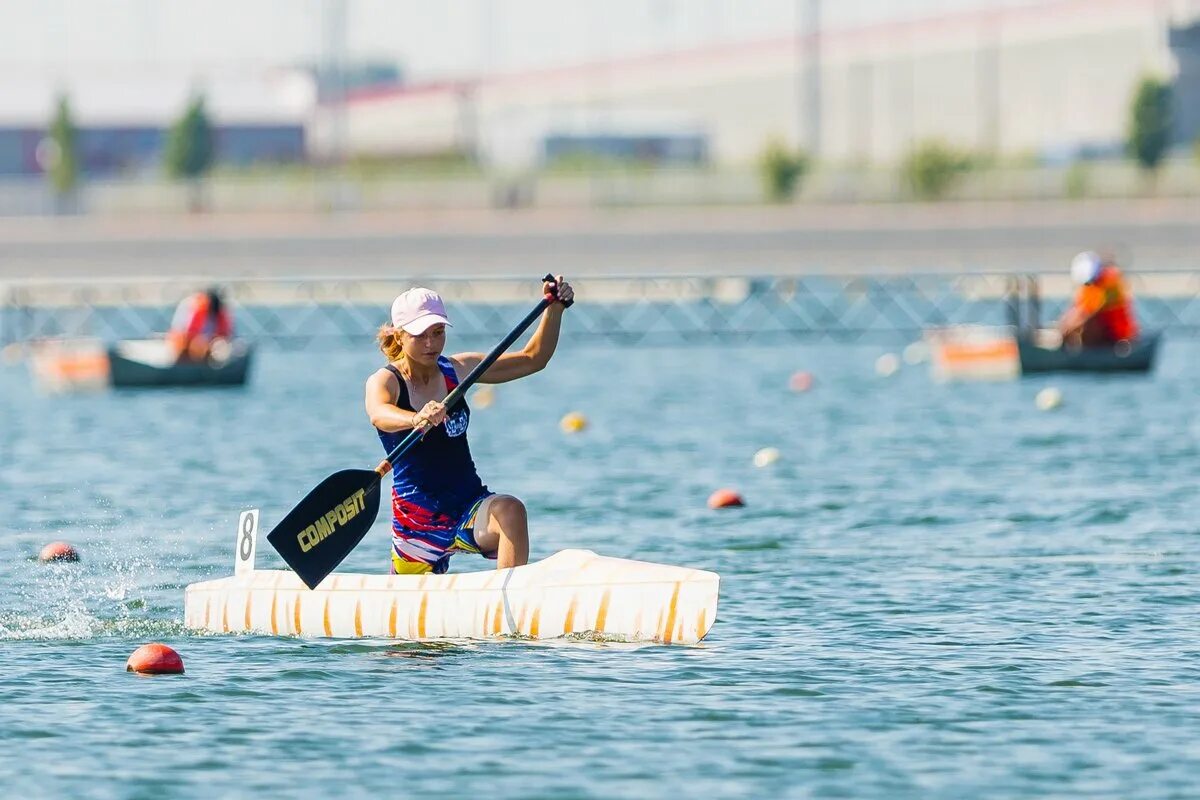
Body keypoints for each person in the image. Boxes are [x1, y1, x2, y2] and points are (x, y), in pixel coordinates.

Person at [364, 276, 574, 575]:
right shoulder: (386, 380)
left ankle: (507, 610)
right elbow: (378, 412)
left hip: (468, 505)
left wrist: (555, 309)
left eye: (437, 333)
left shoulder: (458, 370)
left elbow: (532, 359)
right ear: (399, 336)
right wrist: (415, 418)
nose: (431, 344)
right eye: (420, 335)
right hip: (418, 522)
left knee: (511, 511)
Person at [1057, 251, 1140, 346]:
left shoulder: (1112, 283)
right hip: (1103, 332)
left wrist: (1073, 324)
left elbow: (1093, 310)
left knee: (1086, 323)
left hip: (1118, 335)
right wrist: (1066, 325)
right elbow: (1080, 308)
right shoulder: (1088, 287)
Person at [167, 286, 234, 362]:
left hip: (209, 346)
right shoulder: (195, 307)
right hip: (186, 343)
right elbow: (189, 333)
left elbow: (224, 334)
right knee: (198, 344)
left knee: (220, 346)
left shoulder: (219, 312)